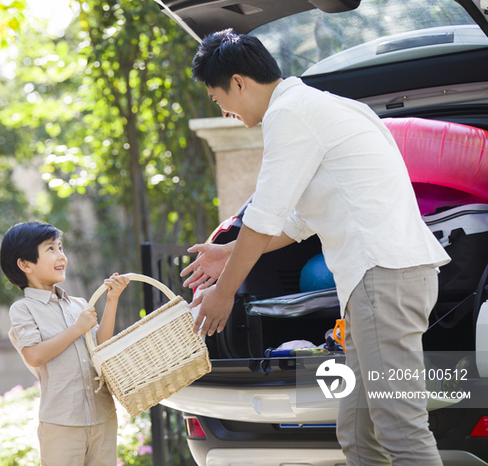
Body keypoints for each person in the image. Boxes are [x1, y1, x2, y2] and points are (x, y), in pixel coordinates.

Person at [180, 29, 450, 466]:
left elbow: (264, 214)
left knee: (400, 428)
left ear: (239, 82)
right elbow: (299, 221)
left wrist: (224, 292)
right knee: (359, 433)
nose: (224, 111)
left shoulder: (291, 114)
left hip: (384, 279)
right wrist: (228, 253)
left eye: (217, 100)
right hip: (386, 279)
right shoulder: (330, 107)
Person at [0, 221, 128, 466]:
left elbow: (101, 347)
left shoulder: (79, 304)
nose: (62, 256)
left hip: (103, 416)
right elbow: (34, 356)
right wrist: (76, 329)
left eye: (60, 247)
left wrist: (112, 300)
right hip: (61, 423)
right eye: (50, 249)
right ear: (25, 264)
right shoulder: (23, 309)